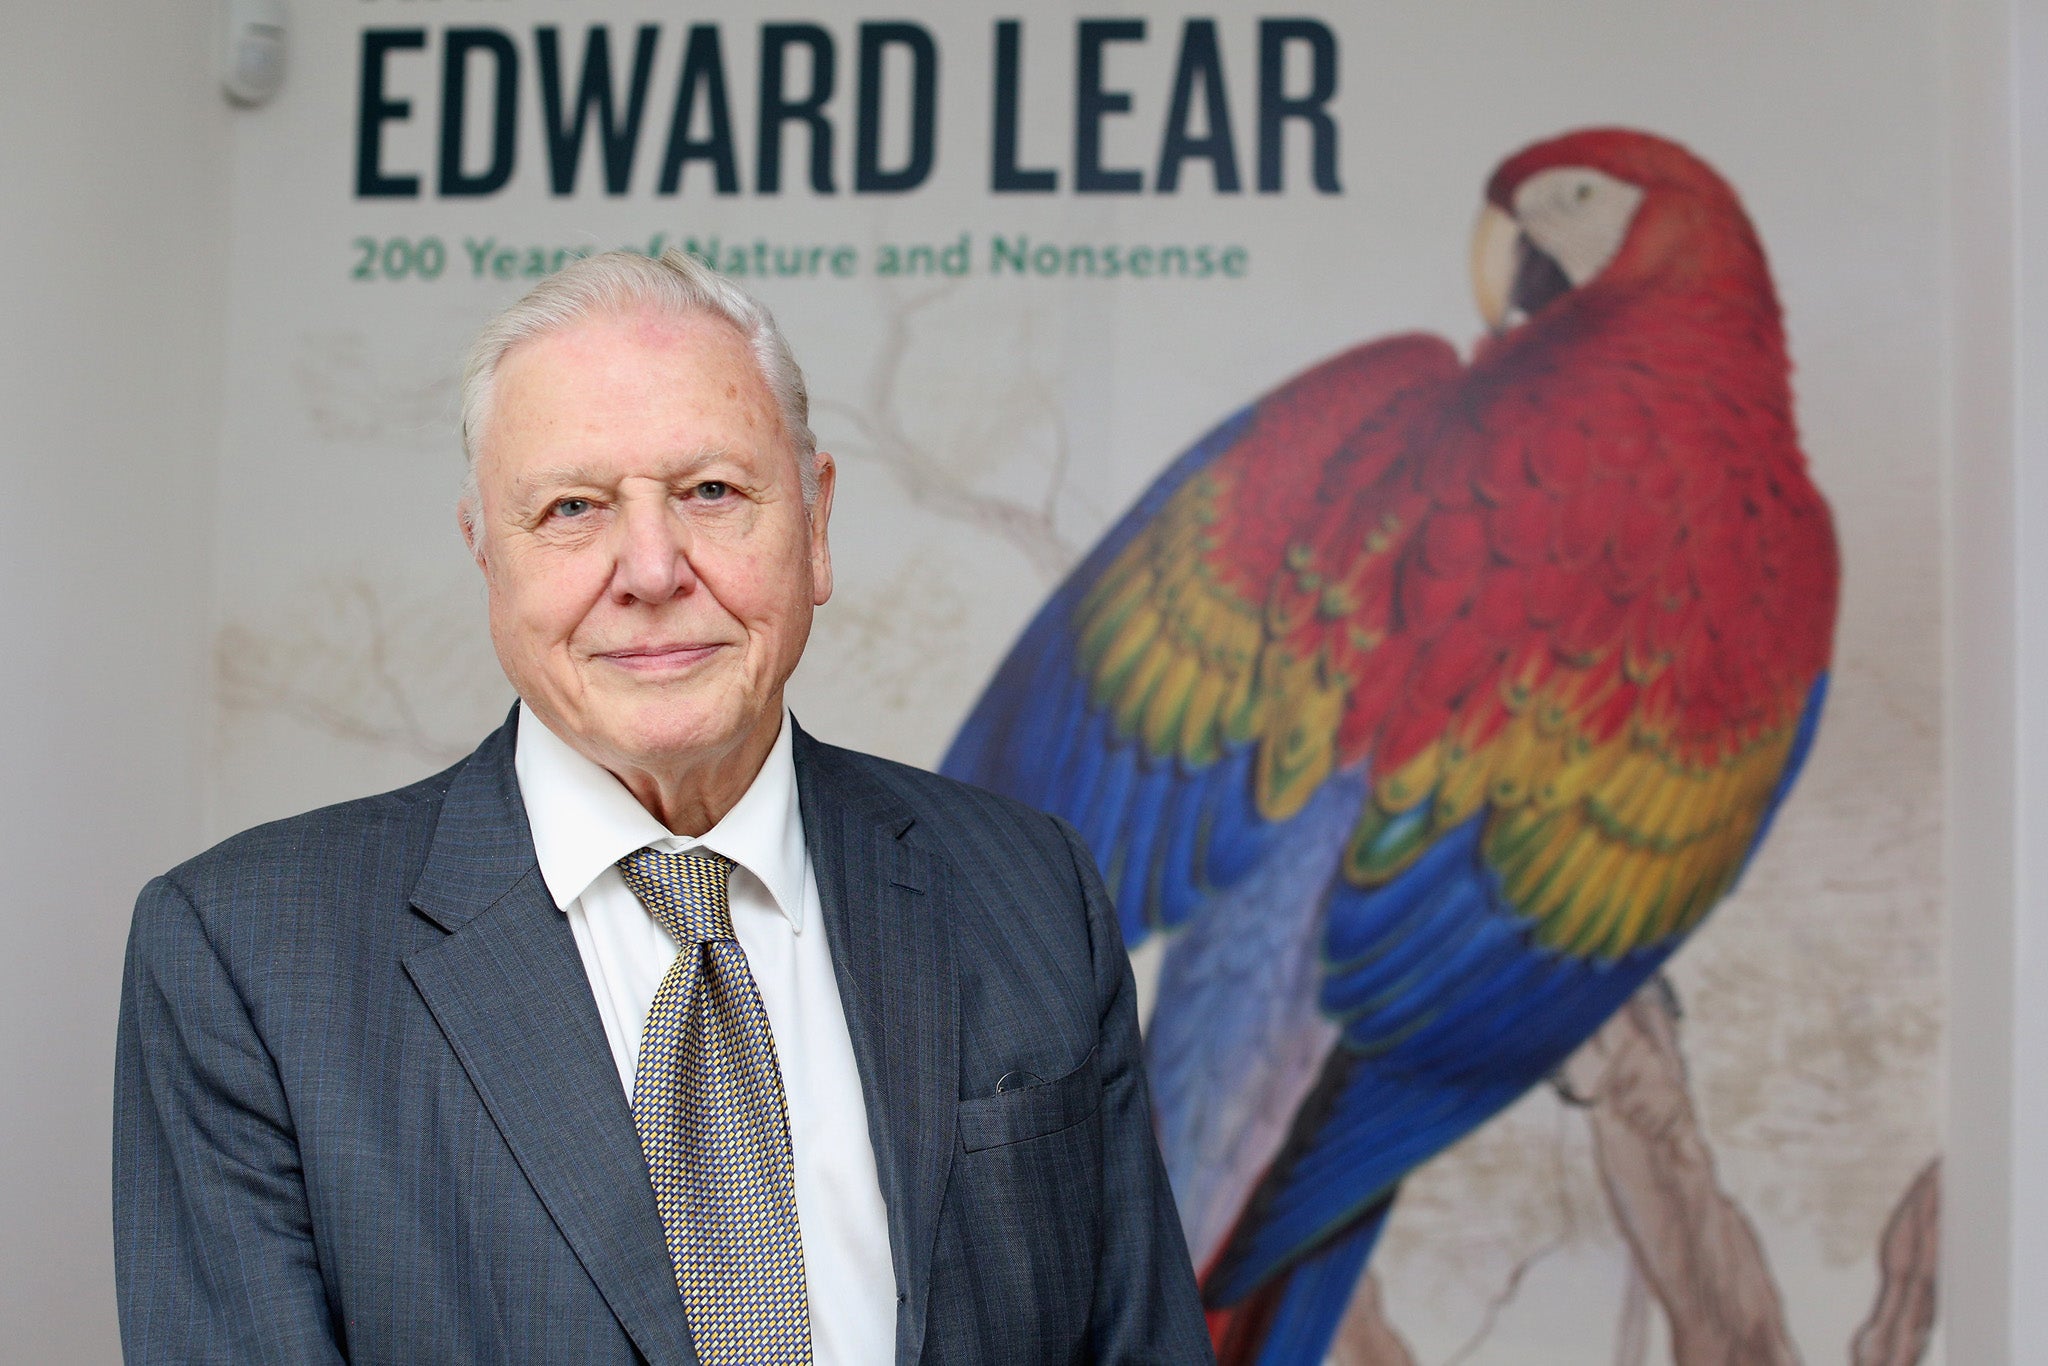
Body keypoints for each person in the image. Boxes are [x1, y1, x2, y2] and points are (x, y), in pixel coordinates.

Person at [113, 249, 1211, 1364]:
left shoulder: (1030, 890)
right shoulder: (246, 956)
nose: (650, 568)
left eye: (711, 492)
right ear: (485, 554)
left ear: (816, 523)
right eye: (571, 507)